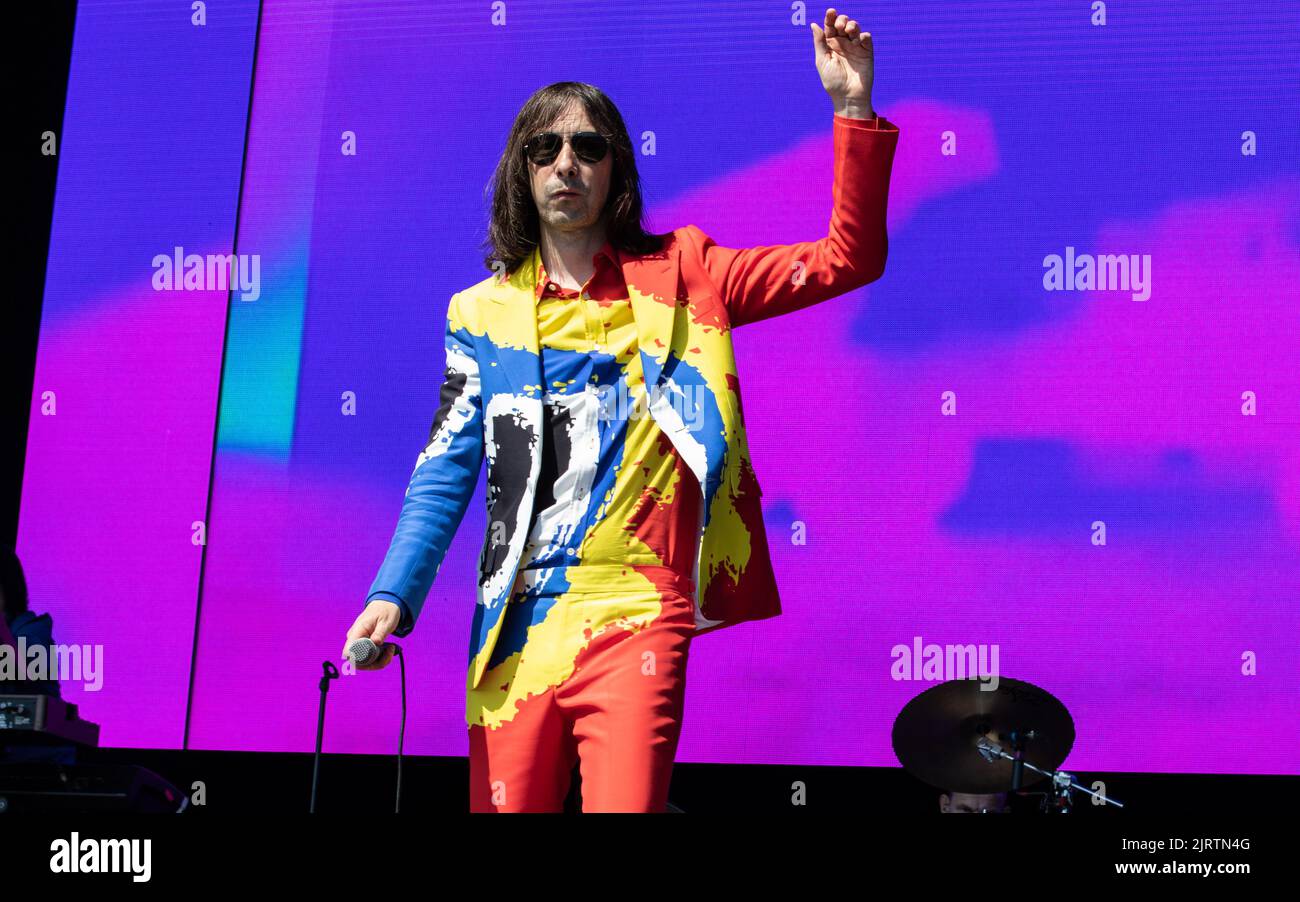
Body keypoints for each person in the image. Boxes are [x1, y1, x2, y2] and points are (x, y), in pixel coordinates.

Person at [343, 8, 899, 812]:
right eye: (546, 148)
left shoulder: (686, 271)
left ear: (614, 170)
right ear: (521, 171)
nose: (566, 164)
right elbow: (445, 470)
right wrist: (393, 594)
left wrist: (851, 109)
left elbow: (846, 260)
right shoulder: (479, 312)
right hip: (518, 621)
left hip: (637, 610)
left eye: (588, 147)